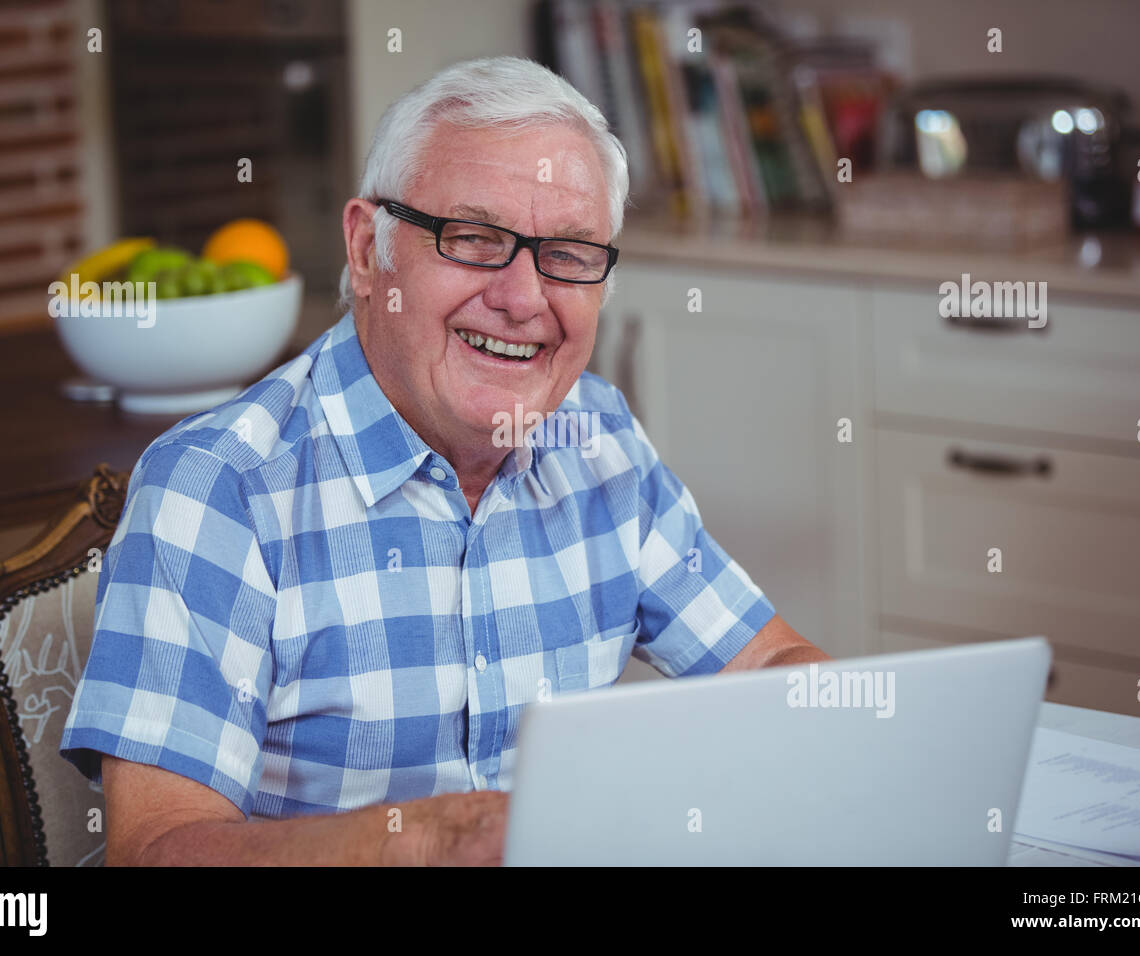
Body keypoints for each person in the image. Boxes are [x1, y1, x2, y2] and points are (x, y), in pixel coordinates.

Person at [60, 56, 830, 866]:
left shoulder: (595, 436)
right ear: (367, 250)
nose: (523, 298)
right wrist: (431, 840)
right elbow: (157, 850)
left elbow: (769, 659)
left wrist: (823, 730)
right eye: (474, 239)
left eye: (568, 252)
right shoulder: (219, 489)